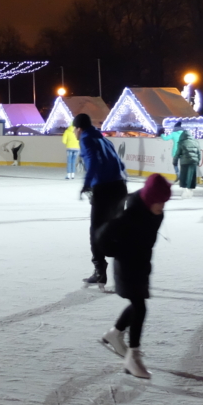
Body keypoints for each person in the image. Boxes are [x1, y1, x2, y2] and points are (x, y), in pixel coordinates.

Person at [96, 174, 170, 379]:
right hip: (126, 265)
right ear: (148, 199)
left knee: (138, 302)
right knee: (140, 306)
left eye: (164, 202)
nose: (161, 207)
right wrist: (115, 251)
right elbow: (101, 236)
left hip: (142, 264)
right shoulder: (129, 215)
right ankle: (132, 356)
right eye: (158, 202)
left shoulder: (155, 213)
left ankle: (115, 333)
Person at [74, 112, 128, 287]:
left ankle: (99, 270)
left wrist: (87, 185)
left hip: (104, 189)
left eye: (74, 129)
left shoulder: (86, 139)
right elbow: (121, 164)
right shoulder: (104, 139)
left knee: (96, 230)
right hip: (119, 187)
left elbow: (93, 163)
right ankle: (124, 269)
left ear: (79, 128)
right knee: (117, 229)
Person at [161, 120, 201, 198]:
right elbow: (199, 153)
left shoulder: (177, 137)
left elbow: (165, 138)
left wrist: (162, 134)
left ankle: (179, 177)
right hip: (193, 160)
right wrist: (198, 161)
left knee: (182, 173)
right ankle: (190, 190)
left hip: (180, 154)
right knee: (191, 176)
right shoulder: (195, 142)